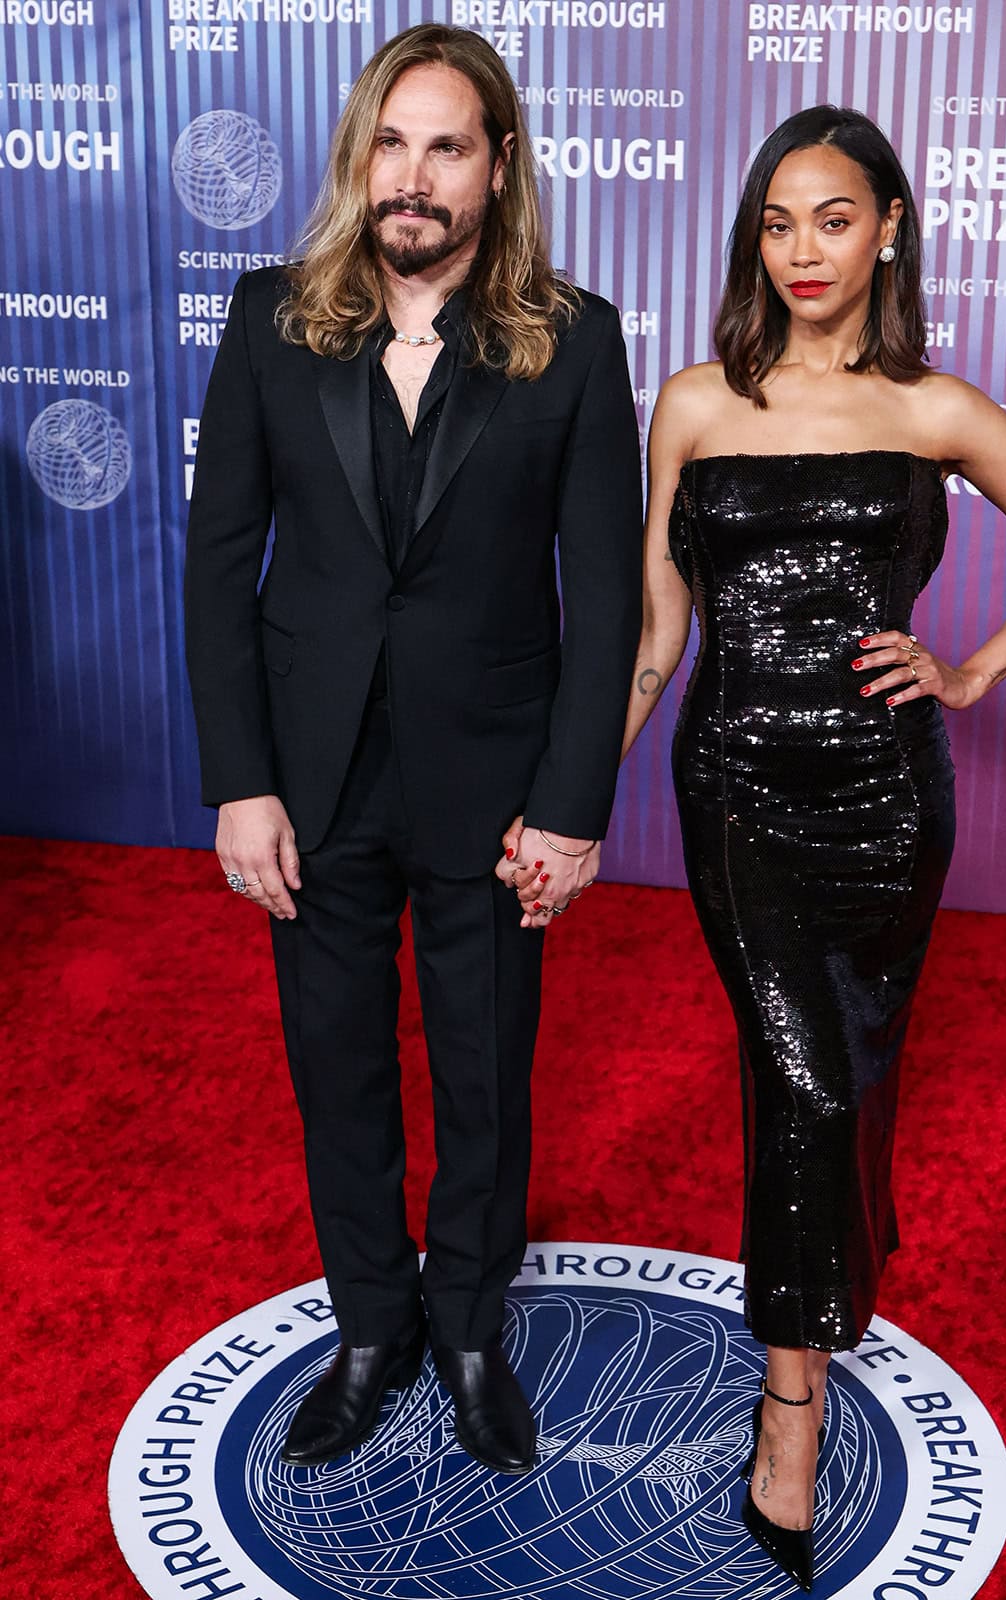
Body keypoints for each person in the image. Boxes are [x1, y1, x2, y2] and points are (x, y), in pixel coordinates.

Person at [584, 106, 1006, 1589]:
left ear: (887, 225)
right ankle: (792, 1407)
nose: (802, 248)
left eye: (831, 217)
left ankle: (843, 1266)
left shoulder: (940, 411)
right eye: (776, 220)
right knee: (804, 1071)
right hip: (740, 784)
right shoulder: (692, 402)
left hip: (890, 796)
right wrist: (577, 799)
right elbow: (654, 634)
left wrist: (972, 667)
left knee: (853, 1062)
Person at [184, 23, 642, 1475]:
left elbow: (610, 587)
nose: (414, 174)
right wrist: (241, 782)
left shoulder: (574, 338)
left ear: (497, 168)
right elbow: (218, 568)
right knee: (338, 1072)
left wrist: (572, 808)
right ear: (357, 157)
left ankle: (466, 1332)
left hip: (496, 778)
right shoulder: (269, 319)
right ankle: (371, 1328)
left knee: (485, 1070)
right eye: (392, 142)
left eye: (447, 145)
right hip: (311, 779)